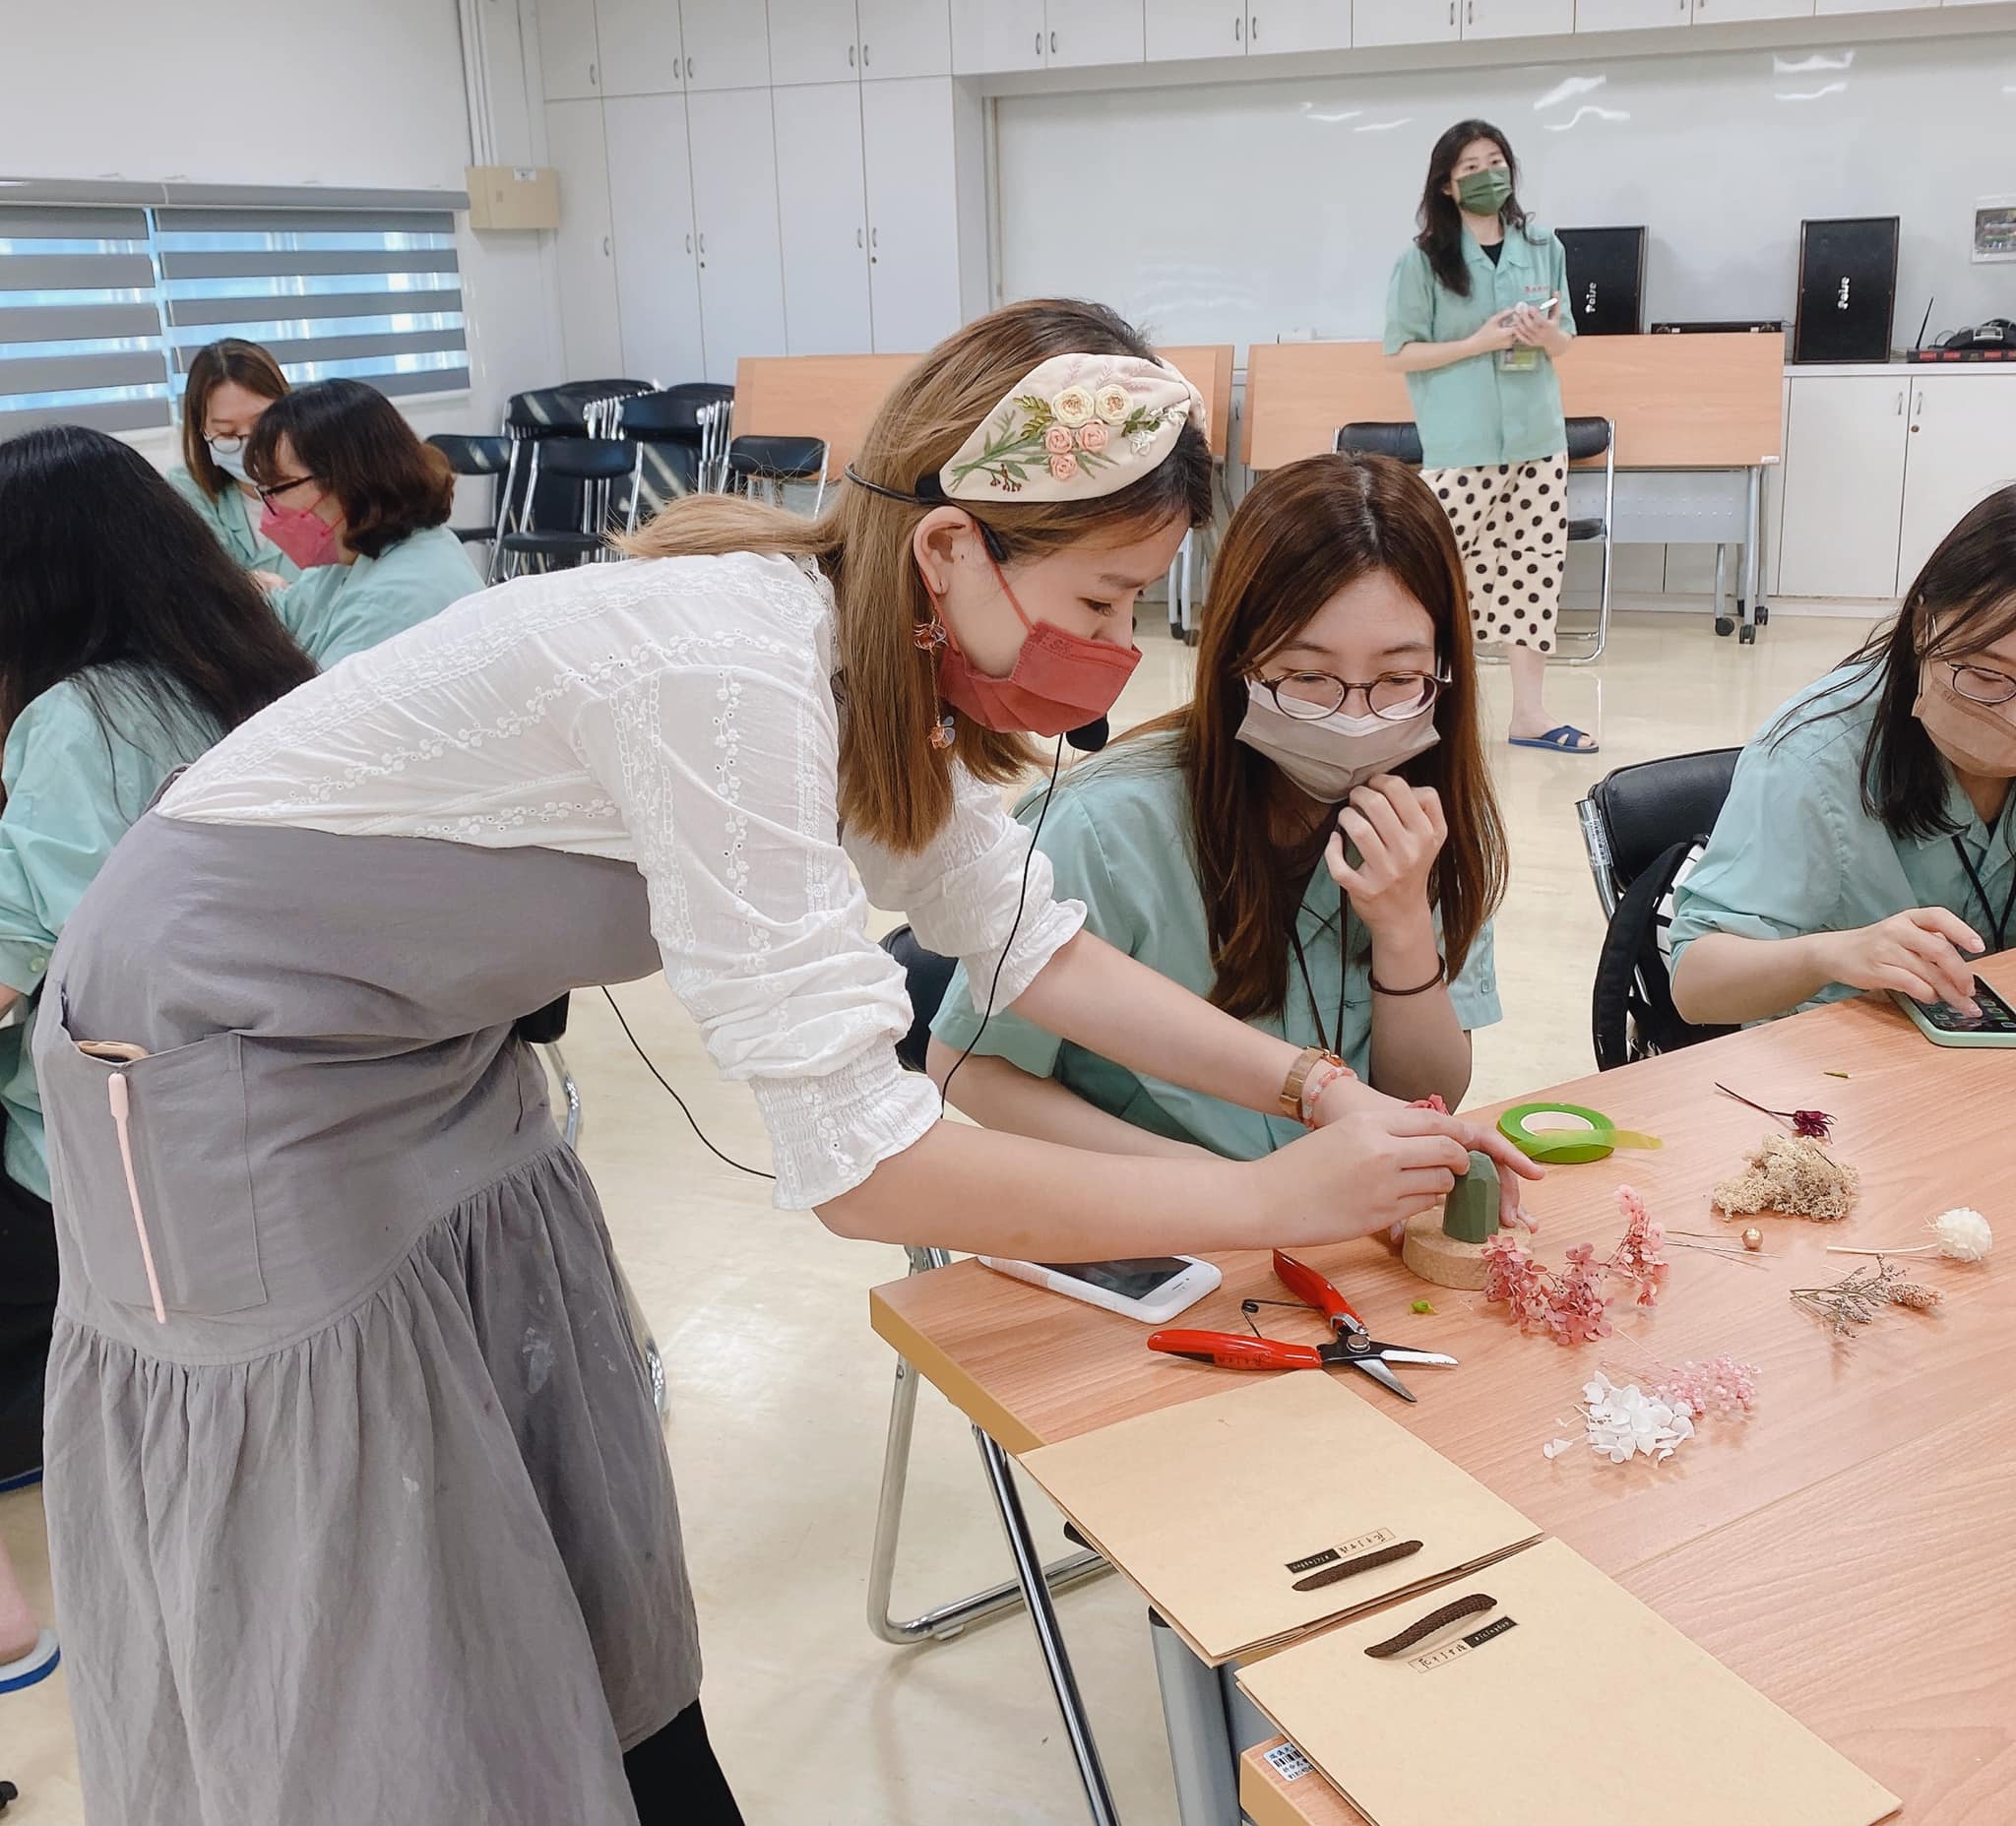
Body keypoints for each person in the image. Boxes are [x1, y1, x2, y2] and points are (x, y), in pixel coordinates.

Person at [34, 300, 1539, 1826]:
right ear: (950, 548)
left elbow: (1029, 939)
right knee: (363, 1554)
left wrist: (1316, 1093)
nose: (1111, 651)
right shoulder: (728, 668)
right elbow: (865, 1167)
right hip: (214, 1057)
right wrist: (1271, 1202)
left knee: (544, 1498)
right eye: (1100, 597)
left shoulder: (850, 659)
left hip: (423, 1052)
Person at [928, 452, 1510, 1164]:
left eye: (1398, 677)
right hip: (1148, 1213)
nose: (1354, 717)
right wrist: (1226, 1194)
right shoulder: (1104, 826)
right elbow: (973, 1067)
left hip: (1339, 1210)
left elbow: (1427, 1098)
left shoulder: (1426, 817)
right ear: (1240, 661)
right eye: (1307, 676)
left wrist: (1405, 931)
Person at [0, 427, 315, 1687]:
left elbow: (85, 960)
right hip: (290, 1109)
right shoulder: (259, 672)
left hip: (140, 1149)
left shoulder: (73, 721)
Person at [1669, 485, 2016, 1028]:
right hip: (1836, 1054)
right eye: (1986, 676)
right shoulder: (1814, 756)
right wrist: (1830, 955)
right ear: (1923, 628)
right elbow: (1696, 986)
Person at [1384, 118, 1592, 755]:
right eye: (1469, 167)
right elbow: (1400, 352)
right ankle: (1416, 711)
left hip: (1538, 437)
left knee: (1535, 568)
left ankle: (1529, 714)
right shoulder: (1422, 260)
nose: (1486, 175)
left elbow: (1565, 338)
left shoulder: (1542, 244)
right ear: (1446, 185)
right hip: (1462, 442)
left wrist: (1544, 336)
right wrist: (1477, 343)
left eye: (1495, 161)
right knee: (1434, 575)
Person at [250, 378, 483, 667]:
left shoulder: (391, 601)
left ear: (345, 480)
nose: (270, 505)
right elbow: (288, 610)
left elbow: (322, 696)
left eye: (277, 487)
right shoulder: (358, 553)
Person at [163, 337, 298, 582]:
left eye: (262, 424)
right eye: (227, 433)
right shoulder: (187, 490)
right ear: (203, 432)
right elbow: (203, 582)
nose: (250, 445)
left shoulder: (326, 481)